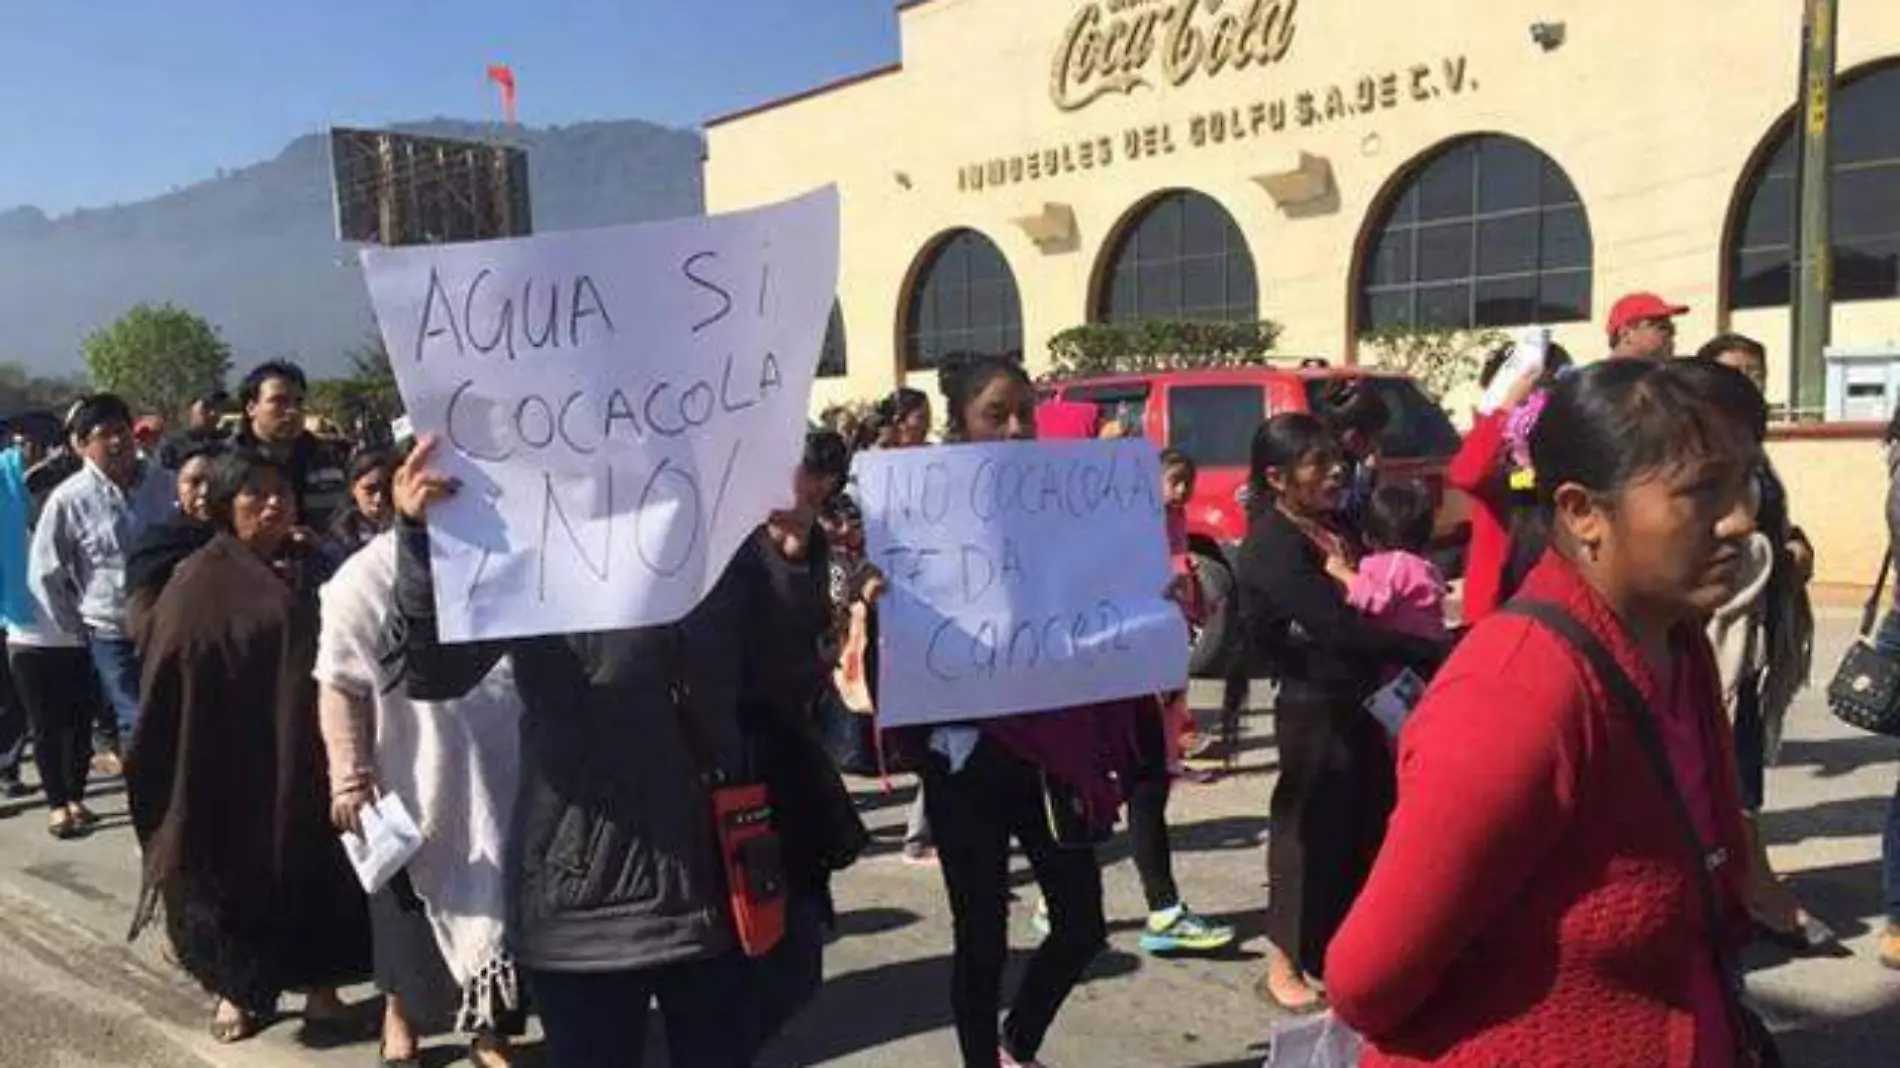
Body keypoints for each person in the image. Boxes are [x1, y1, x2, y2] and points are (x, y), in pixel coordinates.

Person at [1327, 358, 1768, 1067]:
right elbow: (1366, 981)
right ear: (1582, 511)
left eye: (1746, 480)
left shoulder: (1676, 641)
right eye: (1702, 491)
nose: (1741, 519)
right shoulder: (1517, 696)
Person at [393, 432, 811, 1068]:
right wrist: (422, 543)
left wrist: (790, 562)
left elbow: (787, 680)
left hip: (712, 887)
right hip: (581, 905)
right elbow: (432, 674)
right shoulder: (532, 543)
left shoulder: (722, 540)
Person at [897, 354, 1126, 1068]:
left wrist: (1151, 603)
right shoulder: (917, 512)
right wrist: (878, 595)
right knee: (982, 940)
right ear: (960, 426)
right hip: (965, 758)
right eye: (997, 414)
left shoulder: (1068, 502)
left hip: (1051, 751)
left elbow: (1098, 601)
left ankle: (1016, 1041)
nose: (1019, 427)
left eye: (1026, 411)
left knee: (1083, 924)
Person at [127, 448, 369, 1044]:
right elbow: (174, 669)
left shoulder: (315, 563)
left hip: (309, 750)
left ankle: (322, 992)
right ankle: (237, 992)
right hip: (229, 756)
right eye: (254, 494)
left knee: (321, 869)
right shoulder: (199, 581)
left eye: (281, 492)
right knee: (233, 873)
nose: (272, 503)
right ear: (225, 506)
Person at [1235, 413, 1443, 1014]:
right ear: (1277, 477)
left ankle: (1338, 952)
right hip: (1311, 705)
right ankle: (1282, 965)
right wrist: (1420, 648)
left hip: (1363, 701)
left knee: (1360, 828)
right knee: (1303, 830)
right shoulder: (1273, 546)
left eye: (1336, 459)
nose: (1335, 472)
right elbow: (1338, 627)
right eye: (1317, 463)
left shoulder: (1339, 525)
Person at [318, 528, 525, 1068]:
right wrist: (349, 773)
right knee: (405, 917)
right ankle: (399, 1019)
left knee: (501, 903)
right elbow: (339, 681)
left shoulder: (502, 554)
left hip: (503, 763)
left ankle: (490, 1032)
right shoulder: (361, 579)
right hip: (410, 769)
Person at [1693, 334, 1821, 950]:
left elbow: (1767, 520)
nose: (1750, 379)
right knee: (1722, 755)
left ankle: (1744, 881)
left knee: (1742, 753)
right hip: (1716, 629)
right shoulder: (1695, 449)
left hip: (1758, 630)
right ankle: (1753, 886)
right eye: (1735, 370)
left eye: (1757, 369)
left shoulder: (1754, 451)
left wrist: (1794, 543)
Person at [27, 393, 176, 772]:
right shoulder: (69, 500)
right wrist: (76, 626)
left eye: (122, 431)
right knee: (136, 718)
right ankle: (149, 802)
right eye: (103, 434)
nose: (116, 442)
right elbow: (45, 573)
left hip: (168, 624)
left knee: (174, 713)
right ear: (82, 444)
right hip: (112, 632)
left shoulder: (168, 485)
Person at [0, 412, 99, 837]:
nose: (30, 454)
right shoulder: (7, 490)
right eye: (22, 445)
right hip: (26, 628)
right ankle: (57, 804)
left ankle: (76, 796)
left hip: (79, 624)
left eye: (39, 446)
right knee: (42, 721)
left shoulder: (72, 494)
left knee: (79, 723)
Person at [1447, 342, 1573, 625]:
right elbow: (1467, 474)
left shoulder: (1562, 442)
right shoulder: (1495, 441)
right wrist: (1506, 408)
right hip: (1498, 606)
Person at [126, 443, 223, 649]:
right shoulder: (158, 543)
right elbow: (140, 616)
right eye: (194, 482)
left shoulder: (239, 538)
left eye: (213, 483)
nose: (204, 492)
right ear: (178, 486)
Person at [234, 361, 344, 528]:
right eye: (279, 401)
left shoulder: (329, 458)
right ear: (251, 408)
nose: (292, 411)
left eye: (298, 402)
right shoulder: (227, 462)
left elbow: (344, 522)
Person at [1339, 481, 1450, 644]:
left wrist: (1344, 574)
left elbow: (1379, 599)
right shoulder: (1424, 564)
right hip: (1426, 648)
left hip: (1401, 653)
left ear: (1369, 534)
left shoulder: (1394, 563)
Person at [327, 448, 394, 556]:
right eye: (370, 490)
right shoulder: (340, 538)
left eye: (385, 488)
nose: (379, 498)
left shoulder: (406, 528)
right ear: (353, 489)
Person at [1606, 291, 1689, 361]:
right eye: (1661, 327)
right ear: (1625, 333)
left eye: (1671, 326)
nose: (1672, 332)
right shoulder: (1608, 378)